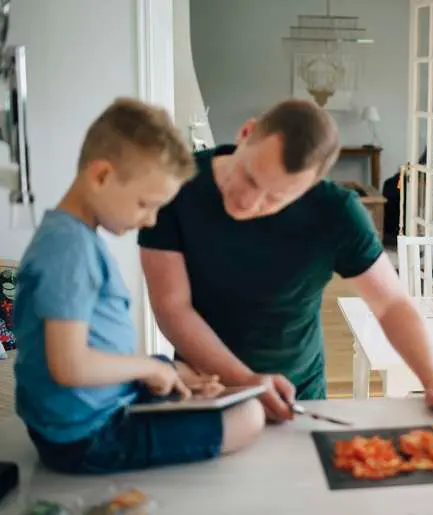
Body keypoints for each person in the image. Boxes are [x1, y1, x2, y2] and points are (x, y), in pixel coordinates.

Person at [138, 99, 433, 421]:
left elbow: (392, 305)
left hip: (297, 397)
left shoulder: (335, 212)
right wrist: (246, 380)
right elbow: (172, 306)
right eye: (250, 178)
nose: (249, 203)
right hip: (203, 388)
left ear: (310, 187)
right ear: (245, 133)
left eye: (275, 198)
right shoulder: (176, 185)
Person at [13, 98, 265, 475]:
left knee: (183, 372)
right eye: (146, 204)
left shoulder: (70, 236)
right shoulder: (70, 249)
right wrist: (148, 368)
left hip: (87, 411)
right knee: (249, 416)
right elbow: (68, 365)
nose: (150, 220)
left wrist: (161, 369)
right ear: (101, 176)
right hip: (86, 436)